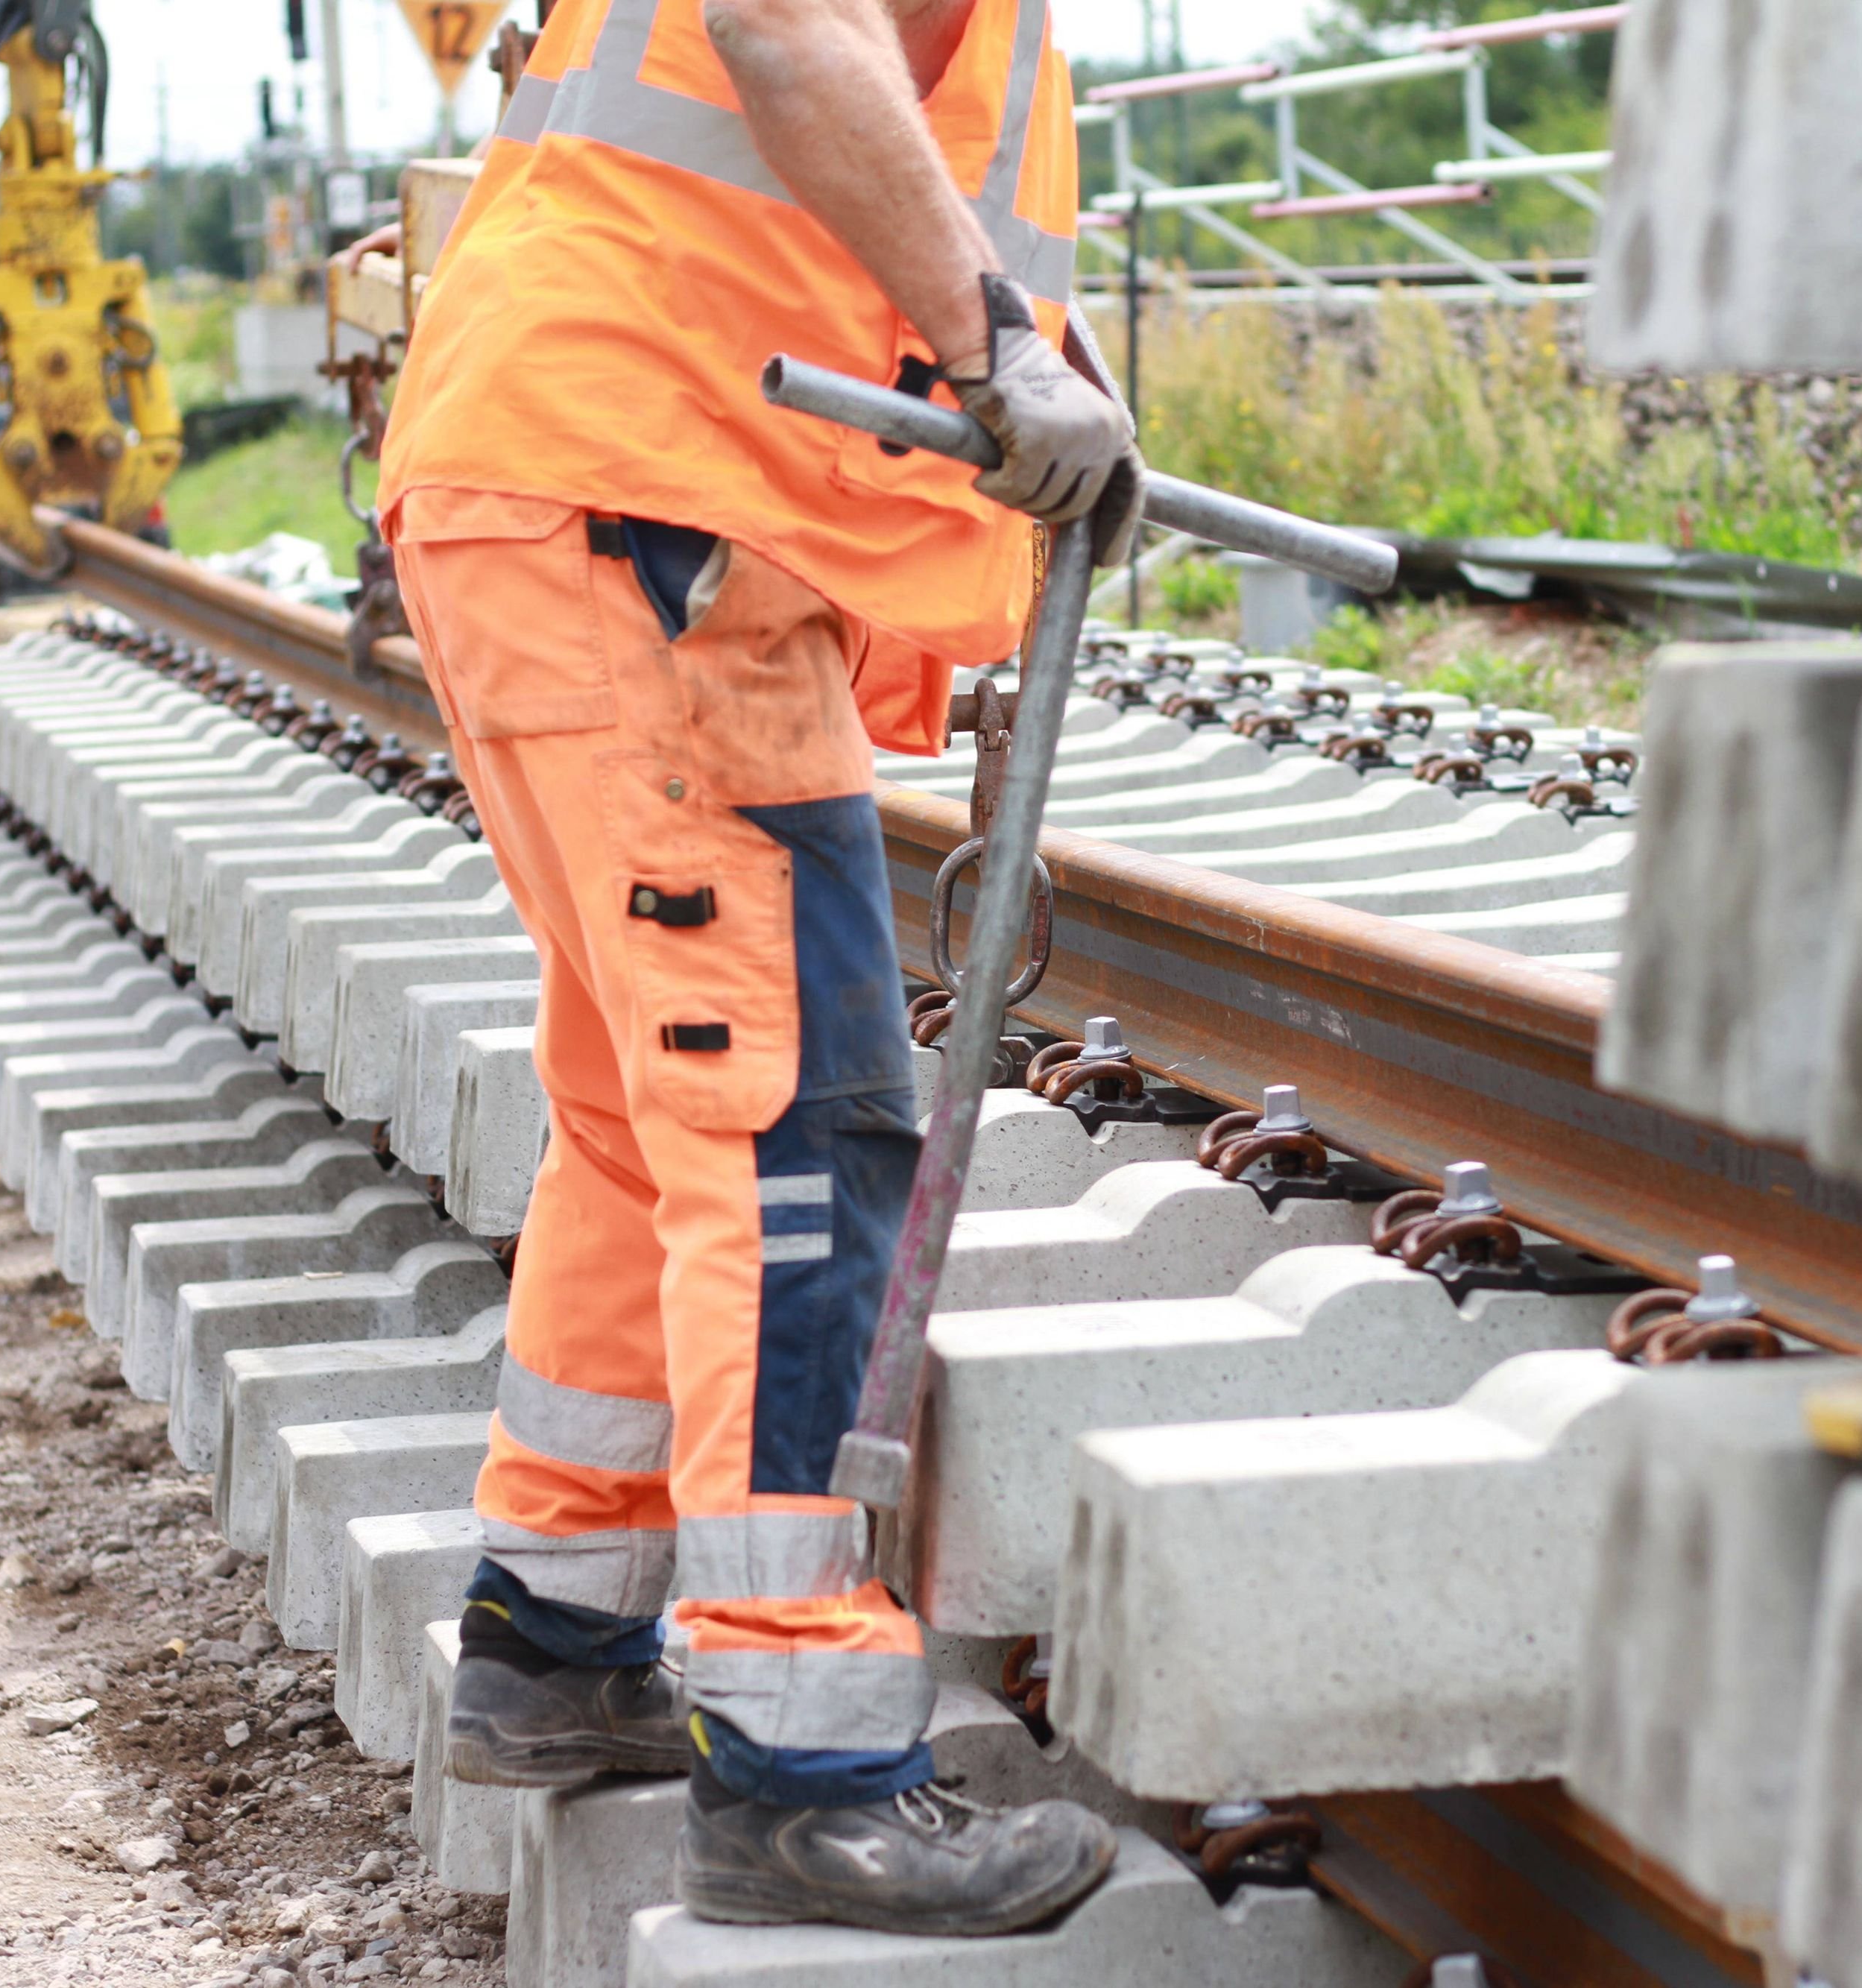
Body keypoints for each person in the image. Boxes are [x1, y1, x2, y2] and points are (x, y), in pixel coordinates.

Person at [373, 0, 1141, 1940]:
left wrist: (1030, 353)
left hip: (591, 479)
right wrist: (992, 348)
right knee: (796, 1127)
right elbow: (786, 27)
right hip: (646, 498)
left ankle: (555, 1644)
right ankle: (805, 1765)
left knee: (654, 1130)